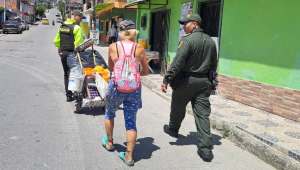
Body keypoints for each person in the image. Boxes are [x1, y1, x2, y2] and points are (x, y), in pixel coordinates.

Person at [161, 14, 218, 161]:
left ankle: (173, 130)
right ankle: (206, 150)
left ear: (194, 24)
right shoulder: (211, 41)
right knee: (202, 114)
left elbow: (178, 62)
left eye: (185, 24)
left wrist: (167, 79)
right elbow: (213, 64)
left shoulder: (187, 41)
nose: (183, 26)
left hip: (186, 81)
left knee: (178, 106)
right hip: (204, 81)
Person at [102, 20, 149, 166]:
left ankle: (109, 142)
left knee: (109, 113)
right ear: (134, 32)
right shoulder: (140, 48)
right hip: (134, 89)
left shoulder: (113, 46)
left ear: (121, 32)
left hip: (116, 87)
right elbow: (146, 72)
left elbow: (111, 68)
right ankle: (129, 155)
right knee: (131, 122)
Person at [53, 10, 86, 102]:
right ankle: (78, 92)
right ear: (75, 16)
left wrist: (59, 48)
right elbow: (79, 44)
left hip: (63, 53)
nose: (81, 20)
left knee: (66, 74)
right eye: (80, 18)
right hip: (73, 54)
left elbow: (56, 40)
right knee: (77, 73)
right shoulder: (77, 28)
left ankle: (68, 95)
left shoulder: (62, 26)